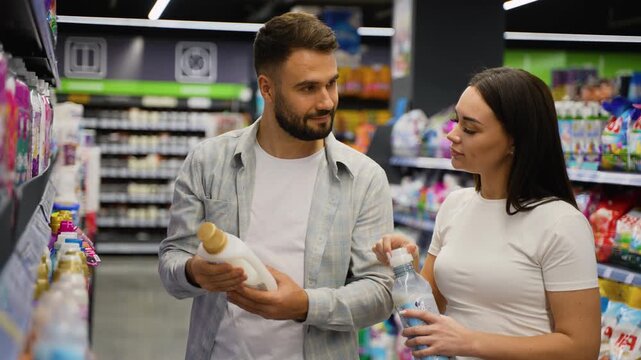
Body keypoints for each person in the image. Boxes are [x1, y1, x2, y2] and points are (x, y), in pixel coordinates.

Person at [158, 11, 394, 360]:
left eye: (331, 83)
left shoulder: (363, 178)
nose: (327, 101)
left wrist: (304, 305)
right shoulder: (208, 162)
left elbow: (380, 293)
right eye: (308, 88)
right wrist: (195, 272)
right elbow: (171, 261)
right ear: (267, 88)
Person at [373, 67, 600, 360]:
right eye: (455, 121)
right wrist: (407, 268)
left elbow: (582, 348)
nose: (452, 134)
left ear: (515, 141)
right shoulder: (454, 206)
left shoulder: (561, 223)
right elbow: (432, 313)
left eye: (470, 128)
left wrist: (470, 342)